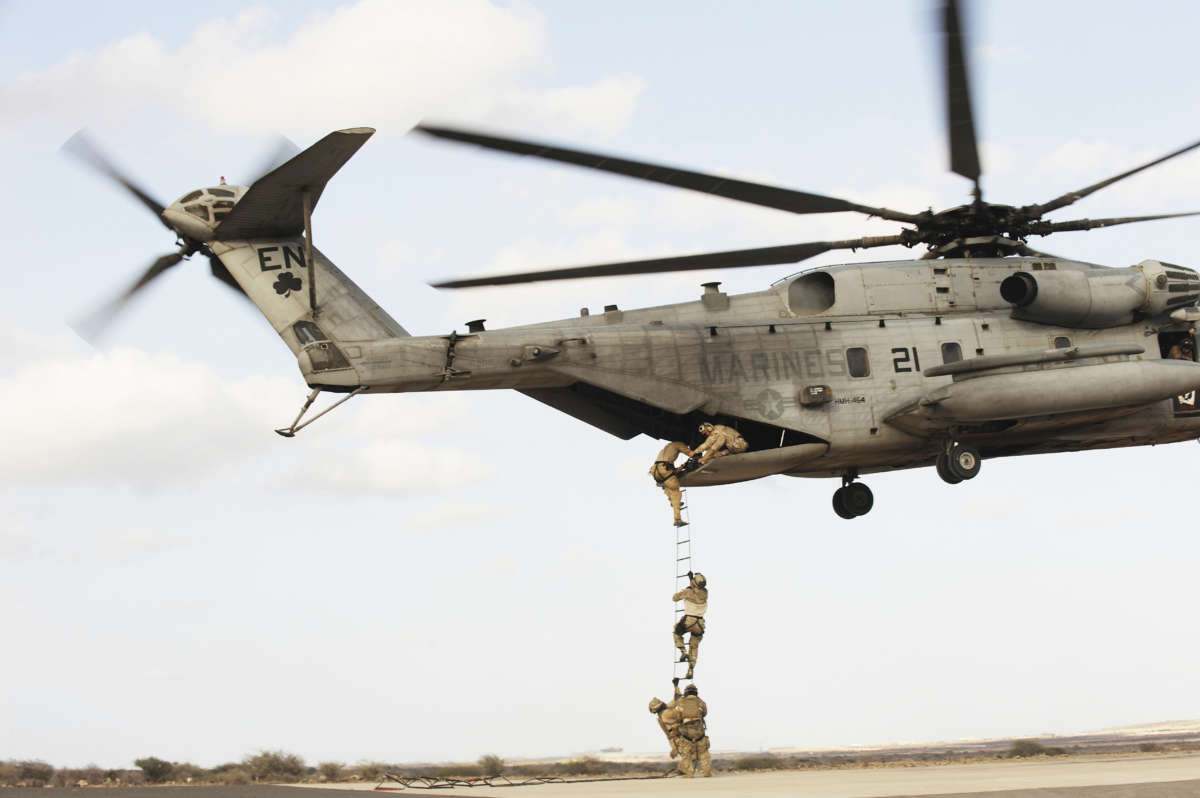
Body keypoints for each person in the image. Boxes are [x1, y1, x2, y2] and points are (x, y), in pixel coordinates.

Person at [650, 441, 696, 527]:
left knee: (667, 485)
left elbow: (670, 470)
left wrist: (682, 466)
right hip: (664, 469)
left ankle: (672, 501)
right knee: (676, 493)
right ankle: (677, 519)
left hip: (655, 471)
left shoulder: (666, 449)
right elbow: (691, 453)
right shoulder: (679, 444)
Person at [673, 572, 708, 679]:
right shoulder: (705, 593)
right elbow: (696, 590)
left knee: (677, 632)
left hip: (689, 620)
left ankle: (683, 651)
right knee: (694, 646)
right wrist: (691, 580)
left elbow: (675, 598)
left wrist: (687, 587)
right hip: (700, 624)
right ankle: (690, 669)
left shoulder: (688, 592)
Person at [674, 683, 711, 778]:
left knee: (686, 753)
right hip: (699, 731)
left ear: (686, 692)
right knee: (703, 752)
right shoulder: (701, 702)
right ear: (696, 693)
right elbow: (705, 713)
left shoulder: (681, 702)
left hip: (686, 732)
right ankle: (706, 772)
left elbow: (677, 717)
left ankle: (689, 773)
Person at [648, 680, 684, 759]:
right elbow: (678, 702)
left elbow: (677, 698)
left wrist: (676, 686)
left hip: (677, 739)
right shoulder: (666, 714)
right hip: (678, 738)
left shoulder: (664, 713)